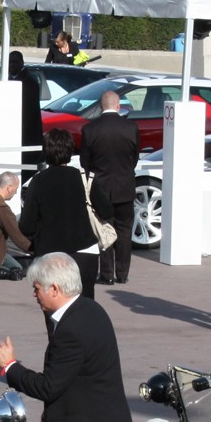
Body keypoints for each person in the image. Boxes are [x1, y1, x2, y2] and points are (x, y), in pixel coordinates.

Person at [0, 252, 133, 422]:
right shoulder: (91, 309)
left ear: (54, 289)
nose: (34, 295)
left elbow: (47, 387)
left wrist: (9, 365)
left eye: (37, 288)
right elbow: (74, 377)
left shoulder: (71, 330)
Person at [20, 128, 110, 294]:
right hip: (85, 251)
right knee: (84, 303)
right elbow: (107, 211)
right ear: (70, 150)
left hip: (50, 253)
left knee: (52, 306)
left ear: (46, 152)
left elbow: (26, 226)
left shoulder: (38, 181)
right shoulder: (85, 177)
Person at [79, 90, 140, 284]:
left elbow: (84, 162)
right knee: (124, 230)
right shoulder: (131, 128)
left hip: (100, 188)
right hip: (125, 186)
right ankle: (123, 274)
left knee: (103, 228)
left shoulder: (90, 129)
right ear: (118, 106)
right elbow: (134, 158)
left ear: (101, 106)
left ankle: (106, 274)